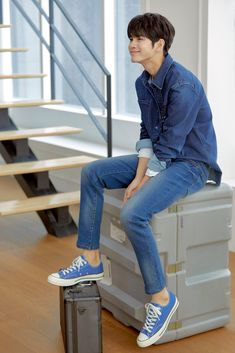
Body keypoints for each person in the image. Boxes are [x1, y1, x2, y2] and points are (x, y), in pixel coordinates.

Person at [48, 13, 221, 348]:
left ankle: (161, 298)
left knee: (133, 214)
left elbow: (171, 147)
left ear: (160, 44)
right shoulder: (143, 82)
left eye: (140, 38)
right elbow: (148, 135)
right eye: (131, 37)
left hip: (191, 164)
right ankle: (91, 260)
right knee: (93, 172)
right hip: (162, 156)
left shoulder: (183, 86)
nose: (132, 44)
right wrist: (139, 175)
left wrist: (142, 181)